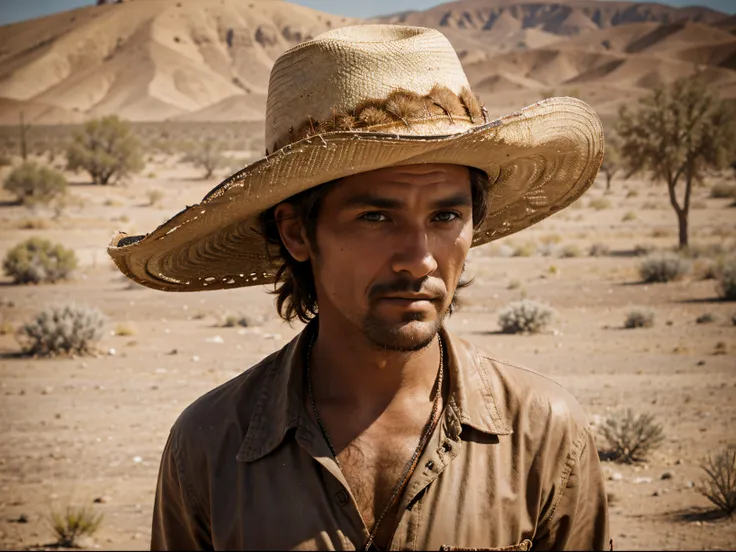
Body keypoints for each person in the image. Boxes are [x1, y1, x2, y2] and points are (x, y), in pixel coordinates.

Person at [109, 24, 609, 552]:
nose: (419, 259)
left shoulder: (542, 433)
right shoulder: (211, 446)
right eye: (376, 216)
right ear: (297, 231)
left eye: (445, 215)